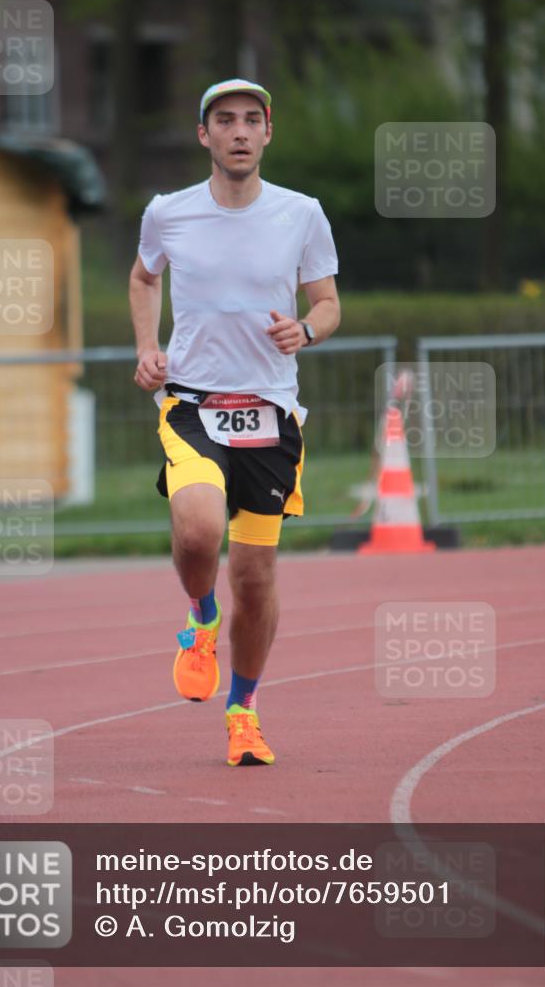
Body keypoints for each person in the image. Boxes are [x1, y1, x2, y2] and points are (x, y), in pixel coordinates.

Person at [129, 79, 339, 766]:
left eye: (252, 120)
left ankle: (243, 713)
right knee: (197, 529)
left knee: (253, 577)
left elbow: (329, 302)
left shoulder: (301, 213)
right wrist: (147, 348)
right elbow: (142, 276)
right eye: (225, 121)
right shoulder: (168, 213)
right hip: (190, 403)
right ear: (205, 135)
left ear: (268, 133)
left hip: (270, 414)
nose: (239, 131)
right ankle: (200, 618)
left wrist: (304, 331)